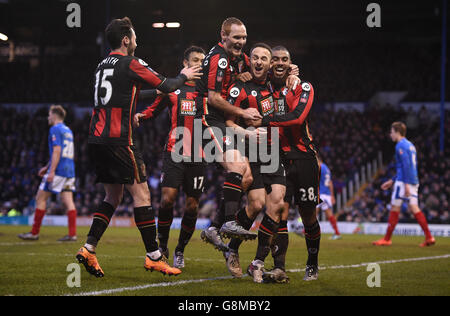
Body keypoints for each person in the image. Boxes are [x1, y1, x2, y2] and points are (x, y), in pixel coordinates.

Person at [75, 17, 202, 278]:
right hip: (120, 140)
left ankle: (89, 248)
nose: (137, 40)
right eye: (134, 36)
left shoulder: (101, 66)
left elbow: (126, 95)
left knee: (113, 197)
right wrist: (183, 76)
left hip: (96, 139)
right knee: (142, 196)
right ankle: (154, 256)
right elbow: (167, 85)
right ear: (125, 40)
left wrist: (155, 95)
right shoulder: (131, 62)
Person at [248, 46, 320, 282]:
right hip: (277, 157)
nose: (279, 63)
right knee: (277, 210)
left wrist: (265, 120)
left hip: (304, 158)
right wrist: (242, 73)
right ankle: (275, 266)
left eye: (284, 59)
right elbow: (250, 70)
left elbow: (298, 117)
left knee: (308, 215)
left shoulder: (303, 86)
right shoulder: (264, 89)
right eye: (275, 59)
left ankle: (312, 262)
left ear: (291, 63)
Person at [134, 46, 207, 268]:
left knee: (192, 206)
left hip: (198, 154)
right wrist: (141, 115)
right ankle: (163, 246)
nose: (200, 65)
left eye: (203, 61)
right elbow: (154, 109)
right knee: (167, 200)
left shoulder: (207, 91)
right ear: (185, 64)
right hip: (175, 150)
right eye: (195, 60)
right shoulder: (173, 88)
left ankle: (180, 250)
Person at [196, 17, 263, 250]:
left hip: (219, 122)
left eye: (243, 37)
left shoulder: (238, 59)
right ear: (223, 36)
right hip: (205, 120)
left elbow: (258, 66)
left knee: (247, 176)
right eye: (236, 37)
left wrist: (292, 71)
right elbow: (214, 98)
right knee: (236, 166)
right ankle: (228, 222)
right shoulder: (218, 58)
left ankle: (214, 227)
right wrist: (243, 112)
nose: (241, 42)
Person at [224, 43, 290, 280]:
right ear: (249, 60)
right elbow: (228, 123)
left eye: (265, 58)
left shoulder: (277, 85)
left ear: (271, 63)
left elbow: (289, 70)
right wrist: (247, 134)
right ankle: (232, 249)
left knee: (279, 204)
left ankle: (258, 263)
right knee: (256, 205)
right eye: (255, 57)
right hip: (251, 152)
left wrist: (294, 74)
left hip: (274, 153)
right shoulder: (240, 86)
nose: (260, 62)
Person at [18, 105, 77, 242]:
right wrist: (47, 166)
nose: (48, 117)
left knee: (40, 198)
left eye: (49, 115)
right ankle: (72, 234)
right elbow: (63, 152)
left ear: (55, 115)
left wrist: (51, 171)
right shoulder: (68, 130)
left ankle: (34, 233)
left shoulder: (54, 129)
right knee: (69, 201)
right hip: (69, 170)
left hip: (59, 170)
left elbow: (57, 151)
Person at [373, 122, 435, 247]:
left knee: (395, 207)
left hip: (404, 181)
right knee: (414, 207)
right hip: (413, 180)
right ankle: (429, 237)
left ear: (397, 132)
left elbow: (406, 165)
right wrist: (392, 180)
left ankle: (387, 239)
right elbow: (409, 166)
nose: (390, 134)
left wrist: (405, 183)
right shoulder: (410, 145)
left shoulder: (400, 145)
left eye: (391, 132)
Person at [317, 155, 341, 240]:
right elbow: (330, 182)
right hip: (326, 194)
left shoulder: (319, 167)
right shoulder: (326, 168)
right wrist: (332, 195)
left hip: (322, 194)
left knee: (313, 212)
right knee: (328, 214)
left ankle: (306, 230)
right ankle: (337, 232)